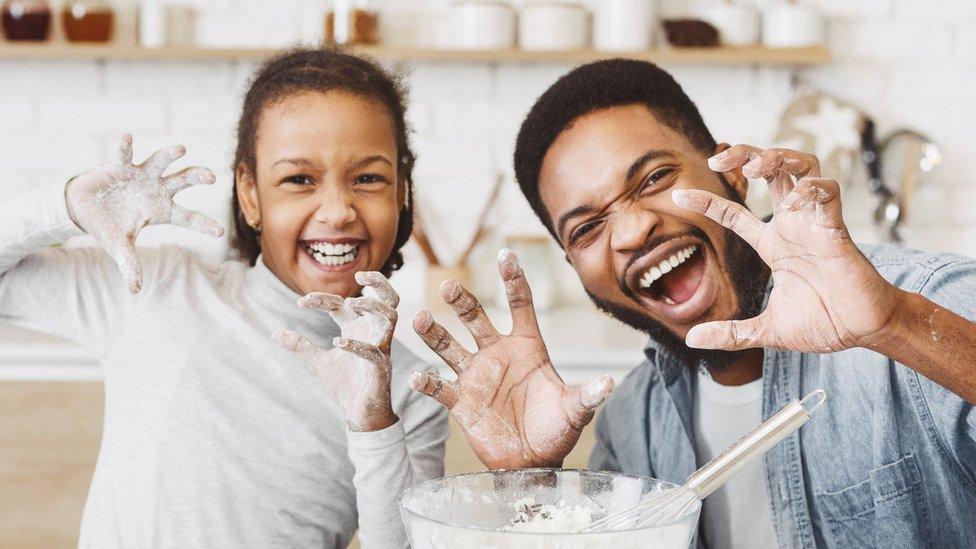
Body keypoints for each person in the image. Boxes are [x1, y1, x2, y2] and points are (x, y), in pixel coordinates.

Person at [408, 59, 976, 548]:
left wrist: (893, 324)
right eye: (586, 230)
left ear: (730, 172)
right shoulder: (632, 426)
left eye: (652, 178)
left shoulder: (922, 303)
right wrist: (531, 482)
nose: (630, 232)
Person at [0, 48, 446, 548]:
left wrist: (373, 425)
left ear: (401, 192)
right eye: (299, 179)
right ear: (250, 193)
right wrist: (64, 207)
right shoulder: (157, 286)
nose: (338, 211)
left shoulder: (411, 393)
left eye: (368, 178)